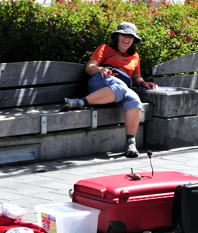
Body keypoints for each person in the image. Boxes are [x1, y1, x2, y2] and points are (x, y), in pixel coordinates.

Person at [64, 22, 157, 158]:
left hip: (121, 88)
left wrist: (143, 83)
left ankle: (130, 143)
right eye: (124, 34)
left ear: (134, 40)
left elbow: (136, 77)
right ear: (117, 36)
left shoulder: (135, 56)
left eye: (130, 36)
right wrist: (100, 68)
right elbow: (89, 68)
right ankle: (80, 102)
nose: (127, 38)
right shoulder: (105, 48)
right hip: (101, 82)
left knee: (135, 100)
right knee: (120, 87)